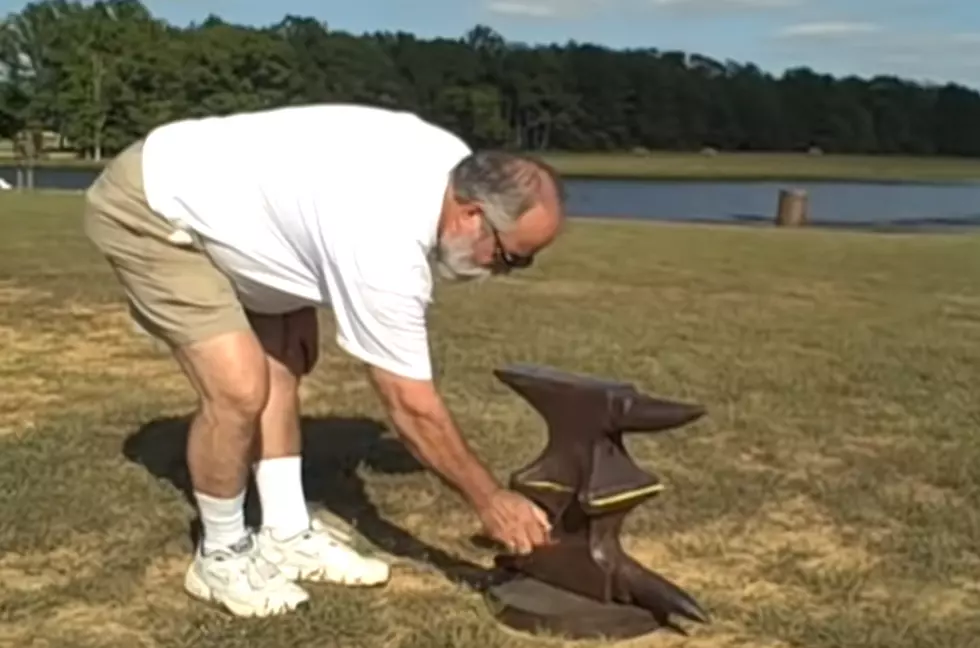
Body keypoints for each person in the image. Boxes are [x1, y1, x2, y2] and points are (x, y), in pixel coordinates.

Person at [82, 103, 565, 618]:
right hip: (154, 207)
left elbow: (315, 197)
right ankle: (220, 556)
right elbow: (410, 406)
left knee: (285, 359)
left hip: (226, 202)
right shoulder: (387, 242)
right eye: (512, 256)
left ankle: (286, 532)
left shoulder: (454, 166)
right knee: (240, 389)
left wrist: (295, 292)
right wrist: (489, 498)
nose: (507, 271)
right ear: (472, 215)